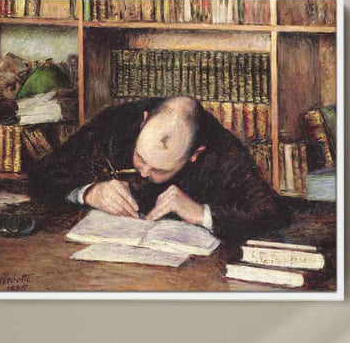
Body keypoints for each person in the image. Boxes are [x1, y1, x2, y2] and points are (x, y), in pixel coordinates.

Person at [28, 96, 289, 243]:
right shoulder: (115, 123)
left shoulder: (222, 151)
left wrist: (200, 213)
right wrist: (89, 192)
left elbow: (272, 214)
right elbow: (41, 175)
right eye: (140, 157)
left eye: (160, 170)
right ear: (143, 123)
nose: (143, 172)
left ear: (194, 156)